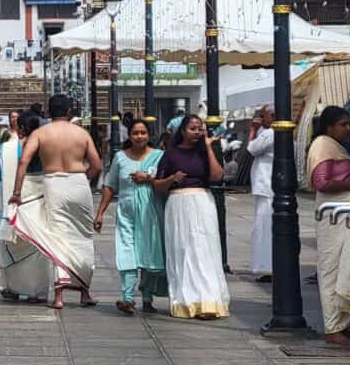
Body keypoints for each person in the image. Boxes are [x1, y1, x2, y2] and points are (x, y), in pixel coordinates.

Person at [10, 94, 102, 310]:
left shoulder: (41, 133)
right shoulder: (81, 134)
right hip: (78, 183)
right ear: (69, 112)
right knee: (83, 236)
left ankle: (59, 295)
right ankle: (84, 292)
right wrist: (81, 179)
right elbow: (97, 165)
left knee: (58, 236)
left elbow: (24, 161)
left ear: (48, 113)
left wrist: (16, 191)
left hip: (53, 184)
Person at [152, 114, 229, 319]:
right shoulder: (170, 153)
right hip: (178, 204)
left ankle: (209, 300)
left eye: (199, 128)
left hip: (203, 202)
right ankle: (187, 300)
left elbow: (217, 176)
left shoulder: (206, 152)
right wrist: (171, 178)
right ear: (183, 131)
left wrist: (209, 148)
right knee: (184, 250)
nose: (197, 132)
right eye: (193, 128)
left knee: (205, 249)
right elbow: (157, 185)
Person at [93, 119, 167, 315]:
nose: (139, 136)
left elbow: (166, 181)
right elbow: (110, 186)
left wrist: (149, 178)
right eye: (135, 133)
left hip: (151, 214)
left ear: (149, 135)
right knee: (127, 252)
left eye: (143, 133)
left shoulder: (159, 156)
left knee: (150, 253)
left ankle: (147, 296)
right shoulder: (120, 158)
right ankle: (127, 297)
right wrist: (100, 213)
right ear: (130, 135)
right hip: (126, 213)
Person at [306, 105, 350, 346]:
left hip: (345, 216)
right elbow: (321, 182)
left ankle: (342, 324)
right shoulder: (323, 145)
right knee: (331, 269)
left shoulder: (335, 146)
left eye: (348, 124)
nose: (348, 128)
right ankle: (332, 327)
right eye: (343, 124)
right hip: (334, 216)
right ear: (329, 127)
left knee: (346, 267)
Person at [0, 111, 50, 304]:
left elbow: (1, 176)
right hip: (40, 195)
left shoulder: (10, 148)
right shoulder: (45, 146)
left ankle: (13, 288)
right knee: (37, 243)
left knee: (12, 242)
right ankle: (37, 291)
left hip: (18, 195)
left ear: (20, 128)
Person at [247, 104, 274, 282]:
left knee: (264, 228)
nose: (261, 120)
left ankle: (267, 267)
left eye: (263, 116)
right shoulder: (271, 133)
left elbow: (252, 149)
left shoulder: (270, 133)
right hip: (267, 185)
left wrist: (253, 129)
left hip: (266, 185)